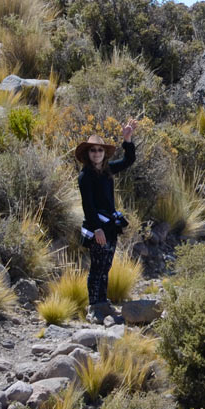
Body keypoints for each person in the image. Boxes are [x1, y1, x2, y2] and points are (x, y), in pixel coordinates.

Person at [76, 121, 136, 306]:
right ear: (88, 153)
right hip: (98, 229)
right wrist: (97, 229)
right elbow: (88, 205)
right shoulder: (85, 176)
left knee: (106, 266)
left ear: (104, 153)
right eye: (93, 150)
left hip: (110, 226)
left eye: (99, 150)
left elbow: (129, 160)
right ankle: (94, 306)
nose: (96, 153)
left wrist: (127, 140)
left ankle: (102, 301)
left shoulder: (108, 170)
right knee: (97, 267)